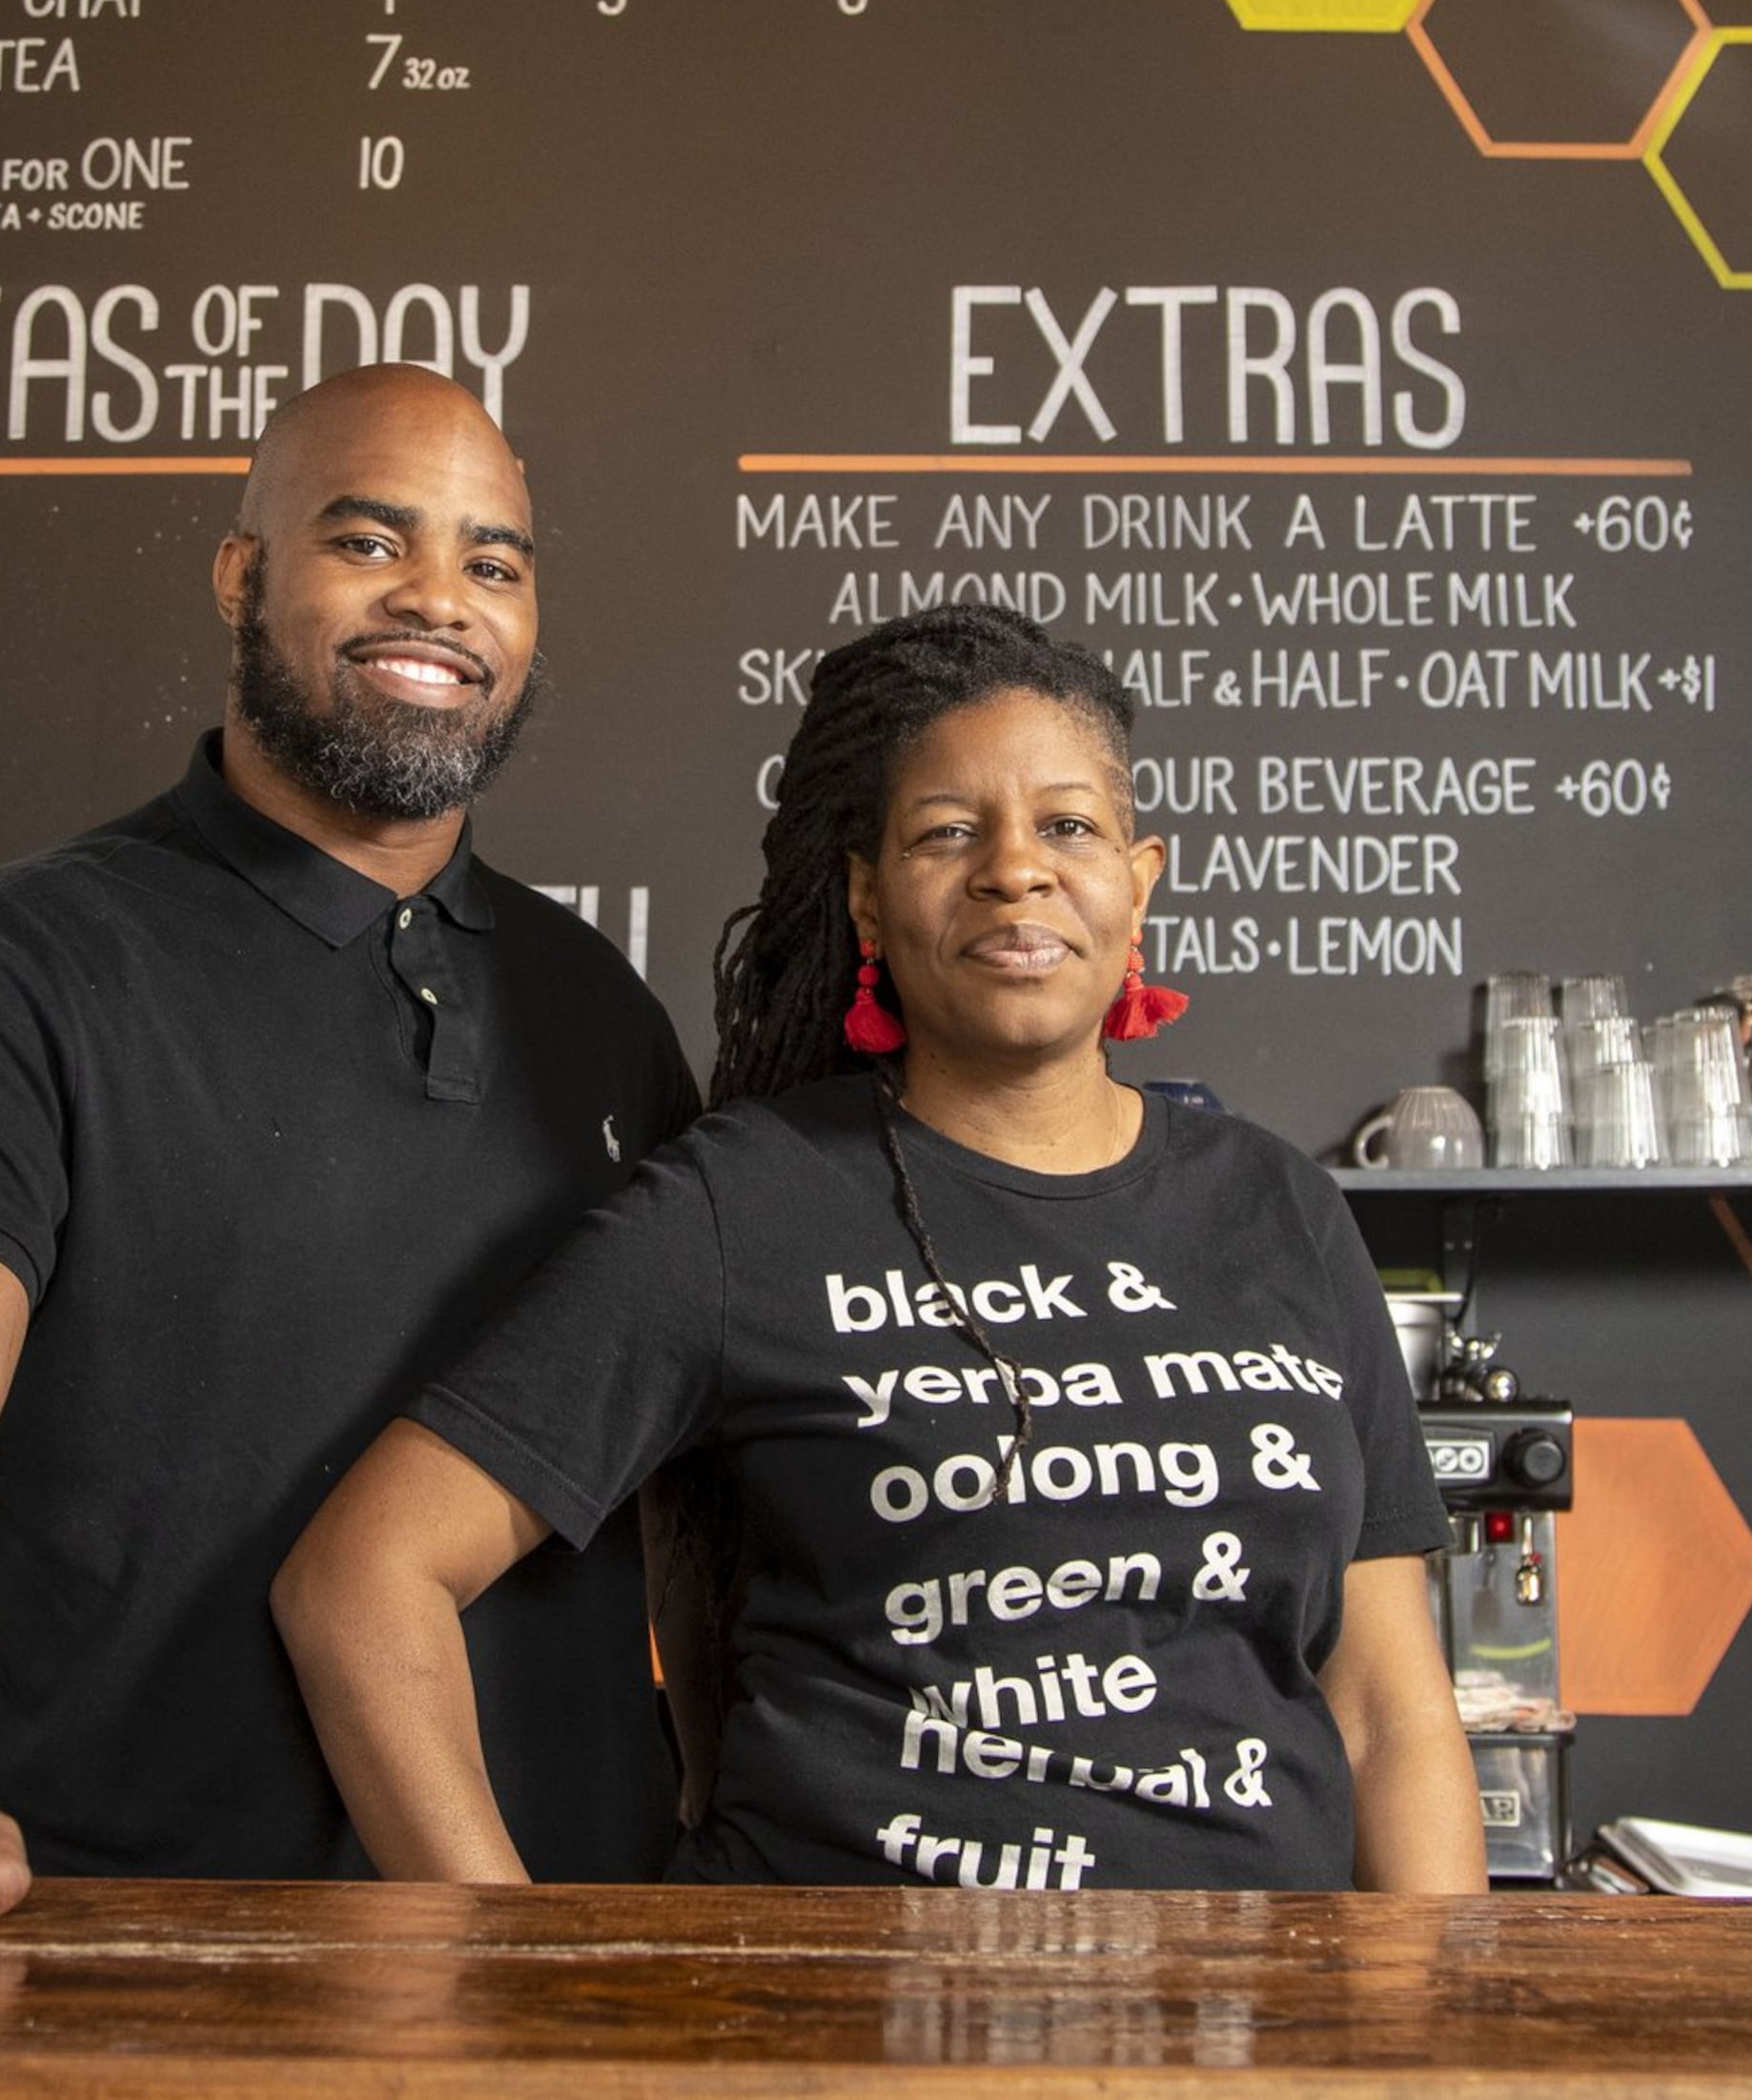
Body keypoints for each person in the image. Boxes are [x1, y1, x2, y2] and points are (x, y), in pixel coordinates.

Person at [0, 365, 694, 1962]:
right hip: (133, 1947)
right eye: (367, 540)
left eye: (494, 562)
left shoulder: (602, 1014)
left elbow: (683, 1499)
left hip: (562, 1947)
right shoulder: (13, 964)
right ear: (240, 573)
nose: (439, 600)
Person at [275, 604, 1483, 1890]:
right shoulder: (748, 1206)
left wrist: (1431, 2040)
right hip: (849, 2037)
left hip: (1251, 2046)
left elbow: (1388, 1715)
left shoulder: (1283, 1211)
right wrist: (491, 1976)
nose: (1014, 869)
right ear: (867, 897)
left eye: (1068, 826)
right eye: (947, 832)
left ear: (1139, 881)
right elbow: (363, 1580)